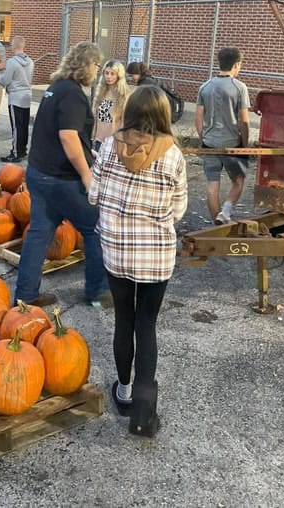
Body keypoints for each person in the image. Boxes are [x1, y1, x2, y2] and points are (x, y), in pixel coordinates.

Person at [89, 86, 187, 438]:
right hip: (155, 256)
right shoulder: (173, 155)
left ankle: (125, 390)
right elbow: (178, 211)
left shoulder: (110, 148)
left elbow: (94, 195)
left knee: (123, 319)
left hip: (117, 251)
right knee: (146, 325)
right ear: (164, 115)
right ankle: (144, 415)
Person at [14, 41, 109, 308]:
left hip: (39, 173)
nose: (98, 70)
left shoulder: (55, 88)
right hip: (62, 179)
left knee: (38, 235)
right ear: (86, 65)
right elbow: (68, 137)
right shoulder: (73, 94)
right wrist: (87, 174)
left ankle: (25, 295)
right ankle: (97, 292)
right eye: (96, 65)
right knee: (95, 227)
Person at [195, 46, 250, 224]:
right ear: (236, 65)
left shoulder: (205, 87)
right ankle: (225, 212)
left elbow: (198, 118)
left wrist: (203, 137)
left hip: (209, 143)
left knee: (212, 187)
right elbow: (244, 121)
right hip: (231, 144)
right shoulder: (240, 88)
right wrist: (245, 143)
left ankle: (215, 226)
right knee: (239, 181)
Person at [0, 35, 34, 162]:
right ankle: (23, 150)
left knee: (16, 127)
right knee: (24, 125)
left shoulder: (12, 62)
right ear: (23, 46)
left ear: (13, 46)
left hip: (15, 97)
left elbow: (5, 80)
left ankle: (15, 153)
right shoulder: (30, 62)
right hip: (27, 96)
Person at [92, 60, 128, 152]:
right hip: (98, 140)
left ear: (118, 76)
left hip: (114, 142)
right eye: (106, 73)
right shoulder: (101, 91)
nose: (109, 76)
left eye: (112, 74)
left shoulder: (123, 94)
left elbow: (125, 121)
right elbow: (95, 116)